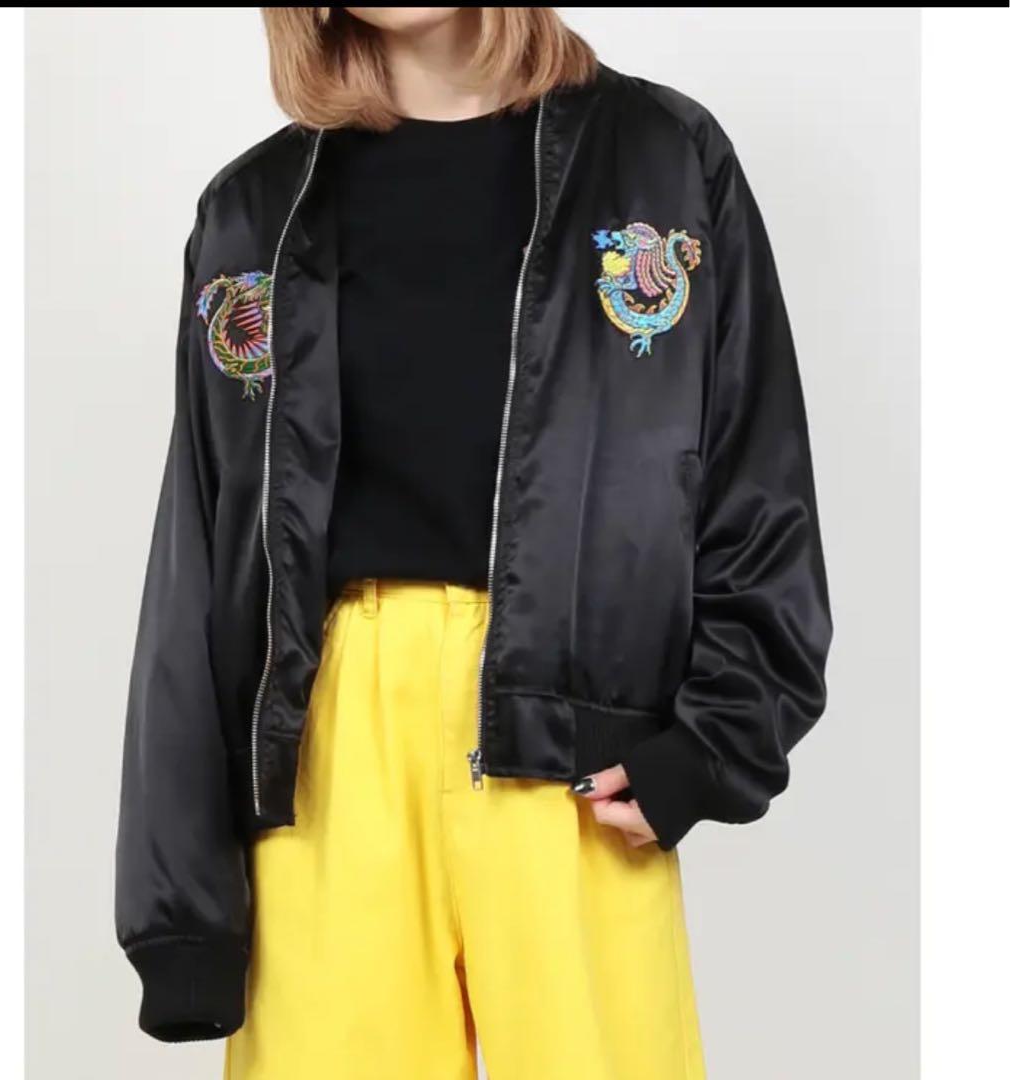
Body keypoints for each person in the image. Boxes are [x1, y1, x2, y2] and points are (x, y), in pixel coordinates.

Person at [115, 8, 832, 1079]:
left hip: (574, 748)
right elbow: (198, 557)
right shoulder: (253, 210)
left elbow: (754, 476)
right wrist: (177, 907)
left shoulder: (659, 163)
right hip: (329, 754)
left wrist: (709, 746)